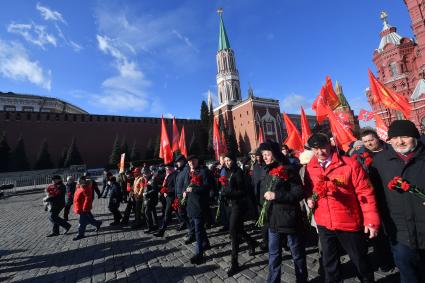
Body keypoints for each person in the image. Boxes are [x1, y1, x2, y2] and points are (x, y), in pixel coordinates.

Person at [304, 133, 380, 283]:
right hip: (324, 222)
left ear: (330, 145)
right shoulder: (310, 167)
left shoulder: (349, 164)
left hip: (349, 221)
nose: (320, 152)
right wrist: (309, 198)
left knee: (359, 260)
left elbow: (365, 192)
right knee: (329, 262)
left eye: (323, 148)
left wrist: (371, 220)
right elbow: (309, 189)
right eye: (315, 149)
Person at [370, 120, 425, 283]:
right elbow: (375, 194)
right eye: (394, 138)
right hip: (400, 232)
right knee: (408, 276)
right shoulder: (380, 161)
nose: (399, 142)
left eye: (405, 136)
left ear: (415, 136)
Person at [259, 141, 308, 283]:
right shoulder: (266, 170)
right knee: (274, 255)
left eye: (267, 154)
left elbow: (298, 193)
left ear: (275, 154)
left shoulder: (288, 169)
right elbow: (264, 192)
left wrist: (277, 196)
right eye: (263, 155)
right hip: (273, 221)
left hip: (289, 219)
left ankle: (302, 279)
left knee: (297, 254)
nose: (265, 157)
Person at [222, 153, 257, 276]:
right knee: (239, 229)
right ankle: (251, 242)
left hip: (238, 205)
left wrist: (229, 192)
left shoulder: (238, 173)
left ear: (233, 160)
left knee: (233, 231)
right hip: (229, 205)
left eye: (229, 160)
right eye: (225, 160)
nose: (227, 162)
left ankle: (234, 262)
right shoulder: (226, 172)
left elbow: (243, 191)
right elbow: (224, 187)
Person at [184, 154, 211, 265]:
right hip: (191, 204)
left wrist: (194, 189)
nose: (191, 163)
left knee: (198, 230)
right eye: (189, 161)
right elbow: (187, 186)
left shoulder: (203, 172)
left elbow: (207, 187)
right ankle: (206, 243)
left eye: (193, 161)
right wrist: (185, 192)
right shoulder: (189, 173)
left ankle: (199, 254)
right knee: (198, 228)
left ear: (197, 160)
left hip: (200, 205)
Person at [73, 176, 102, 240]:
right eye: (78, 180)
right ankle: (97, 223)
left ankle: (80, 234)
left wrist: (85, 208)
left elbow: (88, 199)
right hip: (79, 207)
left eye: (79, 180)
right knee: (88, 219)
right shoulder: (79, 187)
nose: (78, 181)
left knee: (82, 222)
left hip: (83, 208)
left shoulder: (86, 188)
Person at [154, 162, 178, 237]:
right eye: (166, 169)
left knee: (167, 214)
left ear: (172, 168)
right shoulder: (167, 175)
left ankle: (161, 231)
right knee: (179, 214)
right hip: (167, 197)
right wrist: (163, 189)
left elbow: (175, 187)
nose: (167, 170)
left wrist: (167, 191)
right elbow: (166, 185)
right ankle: (189, 226)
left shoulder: (175, 175)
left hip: (172, 197)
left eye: (168, 168)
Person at [175, 155, 190, 232]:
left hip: (183, 196)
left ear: (182, 161)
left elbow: (186, 182)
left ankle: (191, 230)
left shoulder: (186, 170)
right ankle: (190, 229)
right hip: (178, 195)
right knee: (181, 213)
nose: (177, 163)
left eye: (178, 162)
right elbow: (177, 184)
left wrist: (184, 192)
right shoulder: (179, 171)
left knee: (183, 213)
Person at [143, 167, 159, 233]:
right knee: (153, 212)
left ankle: (150, 227)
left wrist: (146, 193)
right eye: (143, 173)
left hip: (151, 199)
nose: (144, 175)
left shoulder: (152, 179)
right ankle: (155, 225)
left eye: (146, 173)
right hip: (148, 199)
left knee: (147, 212)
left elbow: (155, 189)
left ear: (149, 173)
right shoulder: (147, 179)